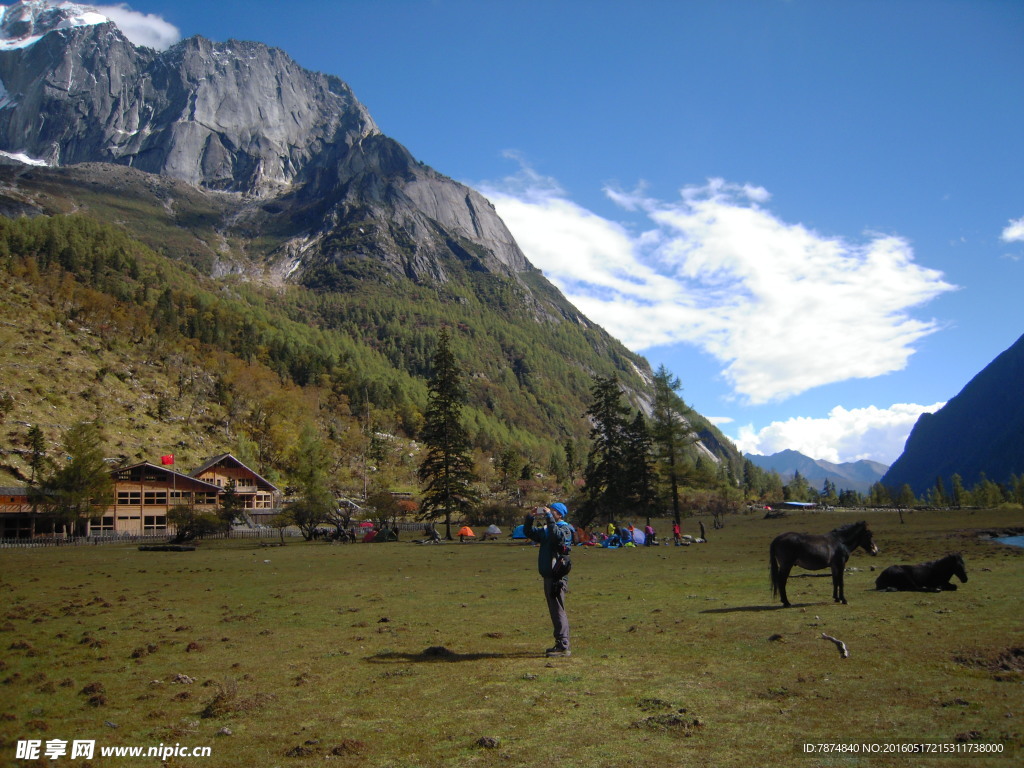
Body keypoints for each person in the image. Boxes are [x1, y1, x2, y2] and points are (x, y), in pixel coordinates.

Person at [522, 502, 574, 657]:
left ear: (559, 514)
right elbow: (529, 532)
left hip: (557, 576)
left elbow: (557, 537)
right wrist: (530, 517)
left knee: (558, 610)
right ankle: (560, 643)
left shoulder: (565, 529)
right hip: (548, 575)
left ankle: (563, 645)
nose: (548, 512)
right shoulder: (546, 529)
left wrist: (550, 518)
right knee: (554, 609)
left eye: (553, 511)